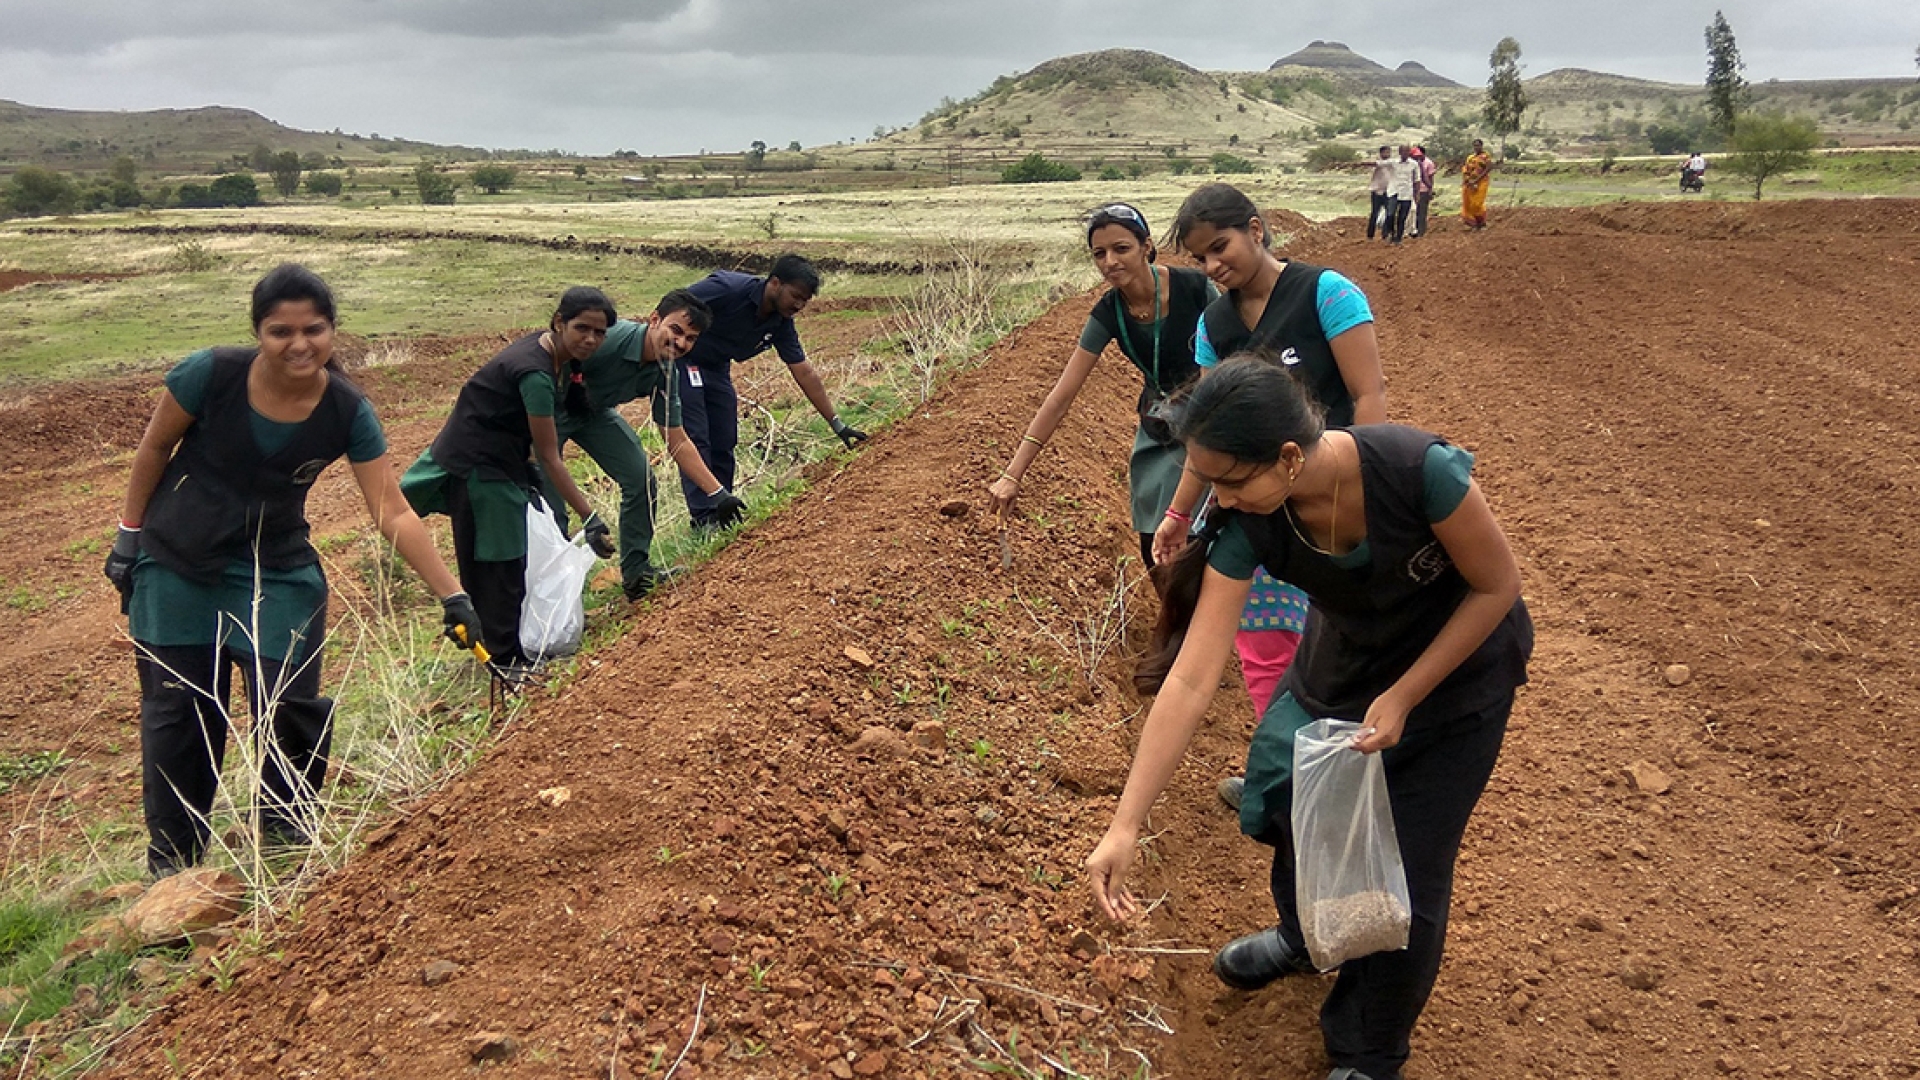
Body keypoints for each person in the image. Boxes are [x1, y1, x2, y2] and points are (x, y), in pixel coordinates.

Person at [1086, 355, 1533, 1080]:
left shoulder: (1421, 471)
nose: (1221, 501)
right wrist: (1126, 823)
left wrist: (1406, 696)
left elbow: (1497, 586)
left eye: (1232, 481)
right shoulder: (1249, 524)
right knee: (1292, 803)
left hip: (1459, 677)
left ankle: (1368, 1051)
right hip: (1348, 662)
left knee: (1409, 876)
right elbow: (1195, 677)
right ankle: (1304, 935)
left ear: (1290, 457)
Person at [103, 263, 483, 879]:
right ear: (258, 332)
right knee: (179, 714)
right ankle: (173, 867)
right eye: (281, 331)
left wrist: (453, 595)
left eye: (314, 329)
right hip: (177, 561)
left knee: (289, 704)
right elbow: (153, 448)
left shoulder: (347, 410)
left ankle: (284, 843)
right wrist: (128, 539)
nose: (299, 344)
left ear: (334, 331)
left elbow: (390, 507)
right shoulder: (210, 375)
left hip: (276, 568)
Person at [1153, 183, 1388, 795]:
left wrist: (1373, 488)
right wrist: (1180, 513)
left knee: (1339, 634)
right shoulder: (1215, 322)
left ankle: (1352, 763)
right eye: (1200, 257)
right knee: (1265, 643)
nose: (1212, 266)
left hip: (1330, 498)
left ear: (1257, 230)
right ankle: (1291, 773)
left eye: (1221, 246)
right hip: (1258, 508)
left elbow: (1367, 395)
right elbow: (1208, 433)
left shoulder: (1326, 294)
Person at [987, 203, 1214, 569]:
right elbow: (1062, 395)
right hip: (1162, 424)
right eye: (1099, 253)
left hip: (1213, 415)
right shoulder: (1108, 313)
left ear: (1146, 246)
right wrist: (1012, 475)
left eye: (1121, 248)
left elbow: (1236, 352)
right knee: (1154, 549)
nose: (1110, 261)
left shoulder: (1196, 289)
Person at [400, 287, 615, 670]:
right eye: (582, 328)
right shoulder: (535, 373)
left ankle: (508, 648)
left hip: (500, 461)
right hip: (478, 465)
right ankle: (503, 659)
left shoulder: (552, 356)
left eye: (599, 333)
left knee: (510, 558)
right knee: (498, 562)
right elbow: (549, 456)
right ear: (559, 322)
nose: (590, 339)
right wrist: (589, 517)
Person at [542, 288, 747, 602]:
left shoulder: (666, 370)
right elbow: (548, 358)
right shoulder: (609, 339)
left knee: (641, 478)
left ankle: (637, 575)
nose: (680, 343)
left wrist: (719, 495)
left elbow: (676, 437)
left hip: (592, 412)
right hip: (545, 413)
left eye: (690, 339)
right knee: (548, 500)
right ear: (654, 320)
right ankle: (551, 600)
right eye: (675, 330)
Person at [675, 254, 867, 525]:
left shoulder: (780, 323)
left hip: (716, 367)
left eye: (805, 301)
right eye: (796, 296)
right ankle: (704, 519)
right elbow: (674, 303)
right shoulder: (728, 289)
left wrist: (837, 424)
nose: (799, 305)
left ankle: (723, 509)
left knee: (724, 436)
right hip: (684, 360)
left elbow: (803, 371)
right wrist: (656, 350)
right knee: (697, 436)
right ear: (775, 283)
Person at [1385, 146, 1417, 244]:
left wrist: (1417, 193)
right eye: (1404, 151)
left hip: (1407, 193)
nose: (1406, 153)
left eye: (1408, 151)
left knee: (1402, 217)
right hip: (1393, 192)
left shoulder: (1414, 164)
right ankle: (1391, 232)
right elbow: (1379, 165)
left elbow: (1417, 179)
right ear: (1399, 152)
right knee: (1390, 214)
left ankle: (1398, 238)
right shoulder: (1393, 163)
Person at [1461, 139, 1495, 230]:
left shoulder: (1485, 156)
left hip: (1482, 182)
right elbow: (1466, 169)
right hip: (1470, 183)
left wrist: (1476, 180)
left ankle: (1482, 223)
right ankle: (1473, 224)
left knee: (1477, 203)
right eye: (1475, 145)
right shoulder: (1470, 158)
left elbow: (1488, 168)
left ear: (1481, 146)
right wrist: (1467, 180)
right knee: (1469, 203)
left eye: (1478, 145)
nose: (1476, 147)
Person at [1365, 147, 1392, 241]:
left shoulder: (1392, 163)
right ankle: (1370, 235)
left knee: (1389, 213)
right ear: (1381, 153)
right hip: (1376, 191)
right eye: (1385, 152)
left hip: (1388, 191)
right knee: (1374, 214)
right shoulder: (1377, 163)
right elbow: (1372, 165)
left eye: (1388, 152)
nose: (1387, 154)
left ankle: (1386, 234)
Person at [1410, 146, 1437, 238]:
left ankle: (1421, 232)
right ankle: (1413, 230)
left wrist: (1430, 189)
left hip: (1423, 190)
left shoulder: (1428, 163)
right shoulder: (1412, 164)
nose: (1418, 158)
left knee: (1421, 212)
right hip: (1412, 190)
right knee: (1413, 212)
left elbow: (1429, 178)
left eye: (1419, 156)